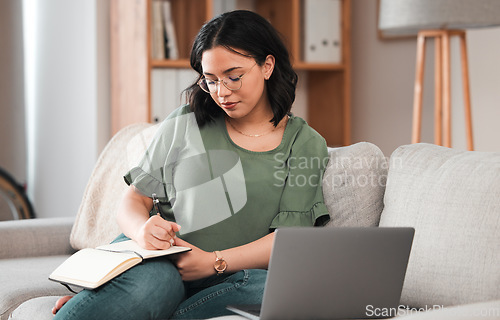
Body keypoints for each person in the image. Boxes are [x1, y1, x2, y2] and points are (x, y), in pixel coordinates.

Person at [53, 10, 330, 320]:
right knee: (156, 284)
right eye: (210, 81)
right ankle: (119, 299)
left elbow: (290, 238)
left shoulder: (305, 143)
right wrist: (142, 230)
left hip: (235, 277)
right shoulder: (185, 123)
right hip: (163, 264)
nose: (221, 93)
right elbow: (134, 199)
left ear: (267, 65)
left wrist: (214, 261)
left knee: (284, 288)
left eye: (233, 77)